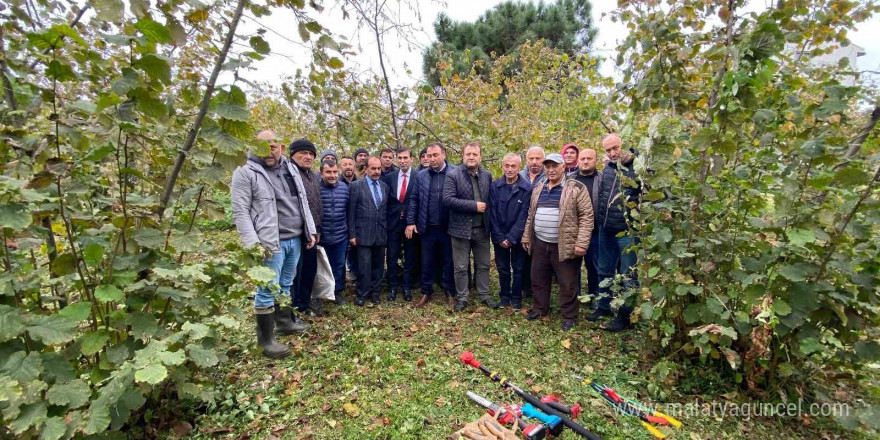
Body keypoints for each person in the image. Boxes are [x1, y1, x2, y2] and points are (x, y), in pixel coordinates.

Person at [231, 130, 315, 358]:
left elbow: (302, 201)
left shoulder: (290, 169)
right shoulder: (245, 172)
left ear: (281, 147)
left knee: (286, 284)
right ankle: (266, 340)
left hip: (294, 238)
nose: (270, 151)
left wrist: (310, 230)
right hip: (269, 241)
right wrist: (253, 243)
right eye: (264, 146)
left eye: (274, 146)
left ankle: (285, 322)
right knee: (267, 289)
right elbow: (240, 212)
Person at [521, 153, 593, 331]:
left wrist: (581, 243)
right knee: (538, 278)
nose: (551, 170)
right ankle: (540, 308)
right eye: (548, 166)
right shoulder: (539, 187)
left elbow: (586, 217)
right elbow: (531, 214)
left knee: (567, 282)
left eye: (555, 166)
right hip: (540, 242)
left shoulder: (576, 188)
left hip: (565, 244)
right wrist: (526, 236)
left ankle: (569, 316)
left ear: (563, 167)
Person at [594, 133, 642, 332]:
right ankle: (603, 306)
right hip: (606, 229)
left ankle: (624, 317)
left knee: (628, 275)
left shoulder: (638, 169)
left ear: (626, 146)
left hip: (628, 232)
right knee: (604, 270)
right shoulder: (608, 168)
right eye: (608, 150)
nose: (613, 153)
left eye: (616, 148)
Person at [443, 142, 496, 311]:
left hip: (482, 229)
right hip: (460, 229)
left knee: (483, 264)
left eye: (474, 154)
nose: (471, 157)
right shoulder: (453, 175)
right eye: (468, 154)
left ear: (480, 157)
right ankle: (462, 298)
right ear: (463, 156)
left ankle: (484, 295)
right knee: (460, 266)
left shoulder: (487, 175)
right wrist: (474, 206)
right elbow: (448, 199)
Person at [406, 142, 455, 307]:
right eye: (429, 155)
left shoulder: (455, 173)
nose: (431, 159)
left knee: (449, 260)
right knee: (426, 261)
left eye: (435, 155)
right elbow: (414, 199)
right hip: (427, 227)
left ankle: (449, 291)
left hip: (449, 227)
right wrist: (411, 221)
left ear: (444, 154)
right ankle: (426, 292)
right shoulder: (421, 175)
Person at [488, 153, 531, 310]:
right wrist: (500, 237)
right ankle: (504, 296)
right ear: (502, 166)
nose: (510, 169)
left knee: (519, 268)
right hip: (499, 235)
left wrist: (512, 237)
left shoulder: (526, 188)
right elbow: (492, 212)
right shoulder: (495, 186)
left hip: (517, 236)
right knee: (503, 268)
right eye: (507, 165)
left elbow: (524, 215)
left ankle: (516, 298)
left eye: (513, 166)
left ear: (519, 167)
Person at [348, 157, 390, 306]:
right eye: (373, 168)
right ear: (365, 169)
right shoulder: (356, 186)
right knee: (364, 266)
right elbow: (351, 212)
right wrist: (352, 234)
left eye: (379, 168)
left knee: (378, 266)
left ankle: (375, 293)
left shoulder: (385, 187)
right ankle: (362, 294)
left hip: (380, 233)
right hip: (363, 234)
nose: (376, 171)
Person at [289, 138, 324, 317]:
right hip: (297, 233)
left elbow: (315, 204)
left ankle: (304, 303)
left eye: (311, 154)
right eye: (303, 153)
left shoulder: (312, 175)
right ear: (292, 154)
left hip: (313, 232)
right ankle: (294, 307)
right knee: (296, 272)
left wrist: (316, 230)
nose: (308, 157)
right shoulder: (290, 174)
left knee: (309, 269)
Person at [383, 147, 416, 302]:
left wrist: (413, 221)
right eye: (400, 158)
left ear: (411, 159)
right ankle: (393, 286)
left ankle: (407, 286)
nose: (402, 161)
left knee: (409, 257)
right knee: (392, 256)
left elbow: (419, 201)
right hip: (393, 223)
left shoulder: (418, 176)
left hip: (410, 225)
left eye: (405, 158)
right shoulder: (389, 177)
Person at [573, 148, 602, 303]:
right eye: (582, 158)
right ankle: (575, 296)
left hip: (595, 231)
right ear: (578, 160)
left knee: (594, 266)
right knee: (572, 267)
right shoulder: (570, 179)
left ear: (595, 160)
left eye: (589, 158)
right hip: (573, 231)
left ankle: (594, 297)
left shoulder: (602, 179)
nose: (585, 161)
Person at [319, 159, 350, 305]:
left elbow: (349, 211)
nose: (332, 175)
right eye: (328, 172)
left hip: (340, 235)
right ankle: (318, 296)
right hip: (321, 236)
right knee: (320, 268)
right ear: (321, 173)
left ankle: (337, 292)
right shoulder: (316, 188)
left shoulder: (344, 188)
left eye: (334, 172)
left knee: (338, 265)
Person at [518, 146, 546, 299]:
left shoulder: (548, 175)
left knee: (539, 260)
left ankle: (538, 290)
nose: (534, 162)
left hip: (540, 224)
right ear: (526, 160)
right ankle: (524, 287)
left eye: (538, 158)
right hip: (521, 222)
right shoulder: (519, 175)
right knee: (522, 258)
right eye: (531, 158)